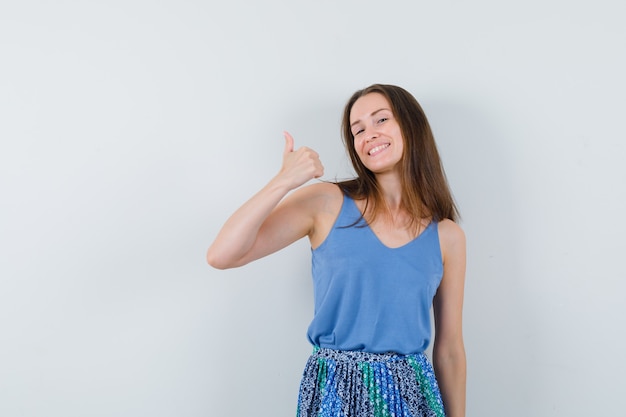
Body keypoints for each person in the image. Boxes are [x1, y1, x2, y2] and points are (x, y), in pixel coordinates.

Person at [207, 84, 466, 417]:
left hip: (411, 398)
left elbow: (449, 351)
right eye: (358, 130)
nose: (368, 134)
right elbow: (222, 254)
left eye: (381, 120)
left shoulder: (447, 236)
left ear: (411, 126)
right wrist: (284, 180)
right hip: (334, 393)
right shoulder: (326, 202)